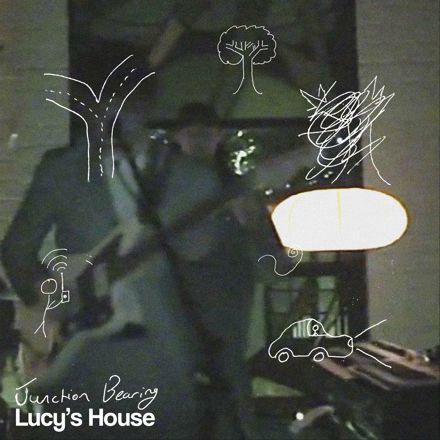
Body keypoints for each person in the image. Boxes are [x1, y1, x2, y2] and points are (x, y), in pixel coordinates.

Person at [1, 113, 228, 438]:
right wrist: (49, 305)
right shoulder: (65, 167)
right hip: (88, 351)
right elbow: (17, 251)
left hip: (162, 351)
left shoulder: (180, 174)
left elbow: (202, 257)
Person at [173, 102, 257, 439]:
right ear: (178, 137)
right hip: (179, 291)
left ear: (218, 137)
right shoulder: (165, 186)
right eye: (192, 134)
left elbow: (255, 231)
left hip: (225, 292)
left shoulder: (231, 184)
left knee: (229, 373)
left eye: (205, 134)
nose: (198, 141)